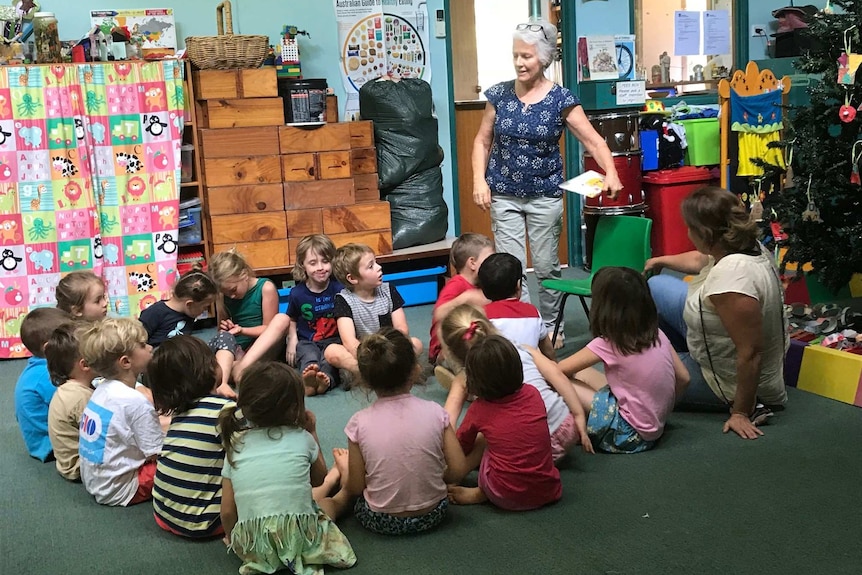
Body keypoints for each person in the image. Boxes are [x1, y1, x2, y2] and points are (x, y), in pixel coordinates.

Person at [471, 18, 623, 349]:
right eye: (515, 55)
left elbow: (594, 142)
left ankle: (551, 328)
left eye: (526, 56)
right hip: (504, 193)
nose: (519, 62)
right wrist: (478, 181)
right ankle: (520, 324)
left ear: (543, 57)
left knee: (546, 268)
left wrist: (610, 172)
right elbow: (482, 141)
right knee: (509, 267)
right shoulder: (498, 95)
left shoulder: (560, 99)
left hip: (544, 196)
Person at [645, 186, 788, 440]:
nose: (687, 233)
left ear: (706, 234)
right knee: (656, 285)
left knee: (642, 376)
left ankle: (746, 402)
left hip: (725, 379)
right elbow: (701, 260)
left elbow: (751, 353)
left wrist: (741, 412)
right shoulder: (743, 245)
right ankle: (676, 356)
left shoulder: (733, 280)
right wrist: (660, 261)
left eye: (690, 227)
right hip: (713, 338)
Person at [219, 362, 356, 575]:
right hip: (300, 538)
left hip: (256, 548)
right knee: (326, 504)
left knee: (297, 496)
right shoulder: (302, 438)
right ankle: (345, 490)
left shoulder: (234, 446)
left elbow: (227, 511)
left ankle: (336, 479)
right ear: (295, 407)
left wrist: (233, 539)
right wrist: (312, 432)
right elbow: (318, 479)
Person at [344, 328, 468, 535]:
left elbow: (356, 487)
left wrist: (345, 469)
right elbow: (459, 468)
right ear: (416, 370)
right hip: (434, 512)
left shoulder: (358, 423)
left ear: (365, 381)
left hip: (381, 520)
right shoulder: (436, 412)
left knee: (346, 479)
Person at [553, 267, 689, 454]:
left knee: (556, 379)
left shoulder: (608, 342)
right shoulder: (656, 332)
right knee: (583, 372)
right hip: (656, 426)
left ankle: (572, 425)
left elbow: (559, 371)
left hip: (628, 435)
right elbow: (684, 378)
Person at [438, 304, 592, 462]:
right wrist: (579, 415)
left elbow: (446, 422)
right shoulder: (522, 348)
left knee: (484, 435)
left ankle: (461, 469)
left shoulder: (463, 377)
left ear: (454, 354)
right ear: (486, 324)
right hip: (567, 427)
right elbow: (557, 374)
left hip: (532, 450)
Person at [447, 335, 561, 510]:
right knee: (508, 435)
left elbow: (462, 444)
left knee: (484, 440)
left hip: (505, 495)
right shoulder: (532, 393)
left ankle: (481, 492)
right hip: (548, 489)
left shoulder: (480, 409)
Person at [147, 336, 234, 538]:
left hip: (163, 513)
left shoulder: (179, 413)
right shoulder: (226, 412)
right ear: (208, 370)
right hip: (203, 522)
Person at [78, 318, 163, 506]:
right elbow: (158, 453)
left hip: (98, 481)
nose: (150, 348)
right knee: (183, 461)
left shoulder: (100, 389)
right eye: (142, 345)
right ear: (125, 362)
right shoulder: (136, 402)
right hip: (123, 488)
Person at [325, 243, 422, 380]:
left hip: (389, 348)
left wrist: (388, 352)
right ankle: (393, 373)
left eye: (376, 262)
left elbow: (402, 329)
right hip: (363, 353)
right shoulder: (343, 300)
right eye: (371, 266)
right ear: (352, 278)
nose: (379, 267)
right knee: (331, 351)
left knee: (416, 343)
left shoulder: (389, 290)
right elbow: (349, 341)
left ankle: (364, 375)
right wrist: (370, 358)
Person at [208, 249, 289, 397]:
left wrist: (242, 330)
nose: (231, 296)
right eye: (226, 293)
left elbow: (268, 328)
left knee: (282, 319)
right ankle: (226, 380)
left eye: (233, 290)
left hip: (261, 347)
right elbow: (222, 331)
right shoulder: (223, 295)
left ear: (244, 274)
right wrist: (225, 327)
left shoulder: (265, 287)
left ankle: (240, 369)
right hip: (236, 348)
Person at [285, 234, 344, 396]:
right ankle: (309, 380)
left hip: (334, 341)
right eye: (313, 263)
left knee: (329, 361)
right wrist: (292, 340)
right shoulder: (297, 293)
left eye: (325, 261)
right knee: (309, 356)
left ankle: (325, 381)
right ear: (302, 265)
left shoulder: (339, 288)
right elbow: (291, 318)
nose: (320, 267)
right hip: (307, 341)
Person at [427, 233, 494, 371]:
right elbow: (438, 313)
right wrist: (464, 299)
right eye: (489, 259)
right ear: (472, 263)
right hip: (446, 347)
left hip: (471, 340)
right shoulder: (457, 284)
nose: (493, 263)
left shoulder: (482, 284)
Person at [14, 307, 73, 461]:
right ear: (49, 348)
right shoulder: (46, 376)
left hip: (42, 439)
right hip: (48, 444)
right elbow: (70, 405)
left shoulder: (39, 368)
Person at [478, 253, 555, 360]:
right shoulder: (532, 312)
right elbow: (548, 350)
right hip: (530, 372)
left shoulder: (481, 315)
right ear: (518, 285)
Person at [45, 323, 94, 480]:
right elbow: (106, 434)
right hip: (79, 467)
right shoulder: (80, 398)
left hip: (72, 461)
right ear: (85, 364)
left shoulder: (74, 388)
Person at [138, 267, 218, 347]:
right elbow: (136, 342)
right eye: (205, 307)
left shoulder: (188, 314)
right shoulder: (154, 313)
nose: (205, 311)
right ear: (189, 304)